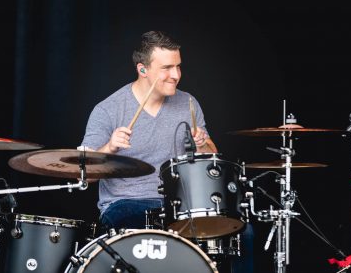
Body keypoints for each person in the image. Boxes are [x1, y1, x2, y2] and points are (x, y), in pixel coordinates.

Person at [79, 30, 252, 273]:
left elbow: (212, 158)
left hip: (179, 205)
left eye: (178, 67)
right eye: (167, 68)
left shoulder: (188, 103)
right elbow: (86, 173)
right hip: (127, 203)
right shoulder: (108, 110)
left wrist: (202, 143)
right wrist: (109, 147)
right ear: (142, 69)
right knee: (150, 227)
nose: (176, 75)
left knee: (242, 232)